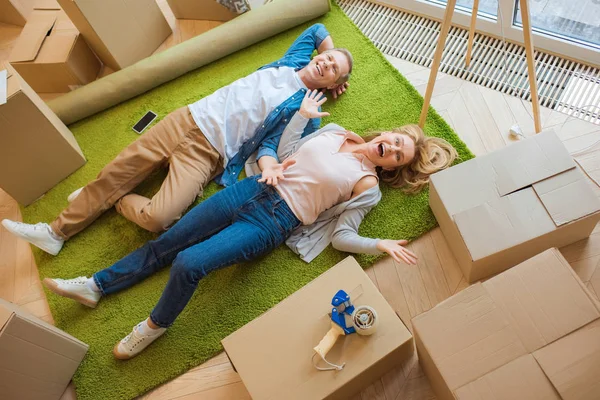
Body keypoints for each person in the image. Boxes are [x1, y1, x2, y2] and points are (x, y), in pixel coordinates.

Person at [42, 90, 457, 360]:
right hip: (253, 188)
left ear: (389, 168)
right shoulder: (334, 131)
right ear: (385, 133)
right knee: (169, 240)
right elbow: (282, 149)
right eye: (397, 142)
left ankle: (154, 326)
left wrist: (378, 244)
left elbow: (342, 237)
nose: (392, 149)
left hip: (274, 220)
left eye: (397, 157)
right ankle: (96, 286)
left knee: (189, 262)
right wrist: (299, 120)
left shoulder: (367, 186)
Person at [2, 24, 353, 256]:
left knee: (160, 217)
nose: (326, 62)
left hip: (210, 152)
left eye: (334, 69)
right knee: (118, 168)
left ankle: (109, 196)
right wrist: (336, 55)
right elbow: (318, 29)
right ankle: (56, 232)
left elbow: (272, 146)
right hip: (186, 119)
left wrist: (272, 165)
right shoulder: (291, 60)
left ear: (332, 84)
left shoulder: (304, 108)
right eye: (328, 58)